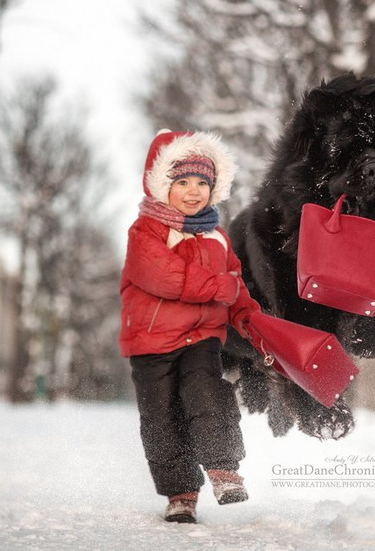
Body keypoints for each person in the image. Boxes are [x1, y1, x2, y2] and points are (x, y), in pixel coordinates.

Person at [119, 129, 261, 524]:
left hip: (201, 338)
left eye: (202, 182)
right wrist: (221, 287)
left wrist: (247, 317)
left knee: (206, 391)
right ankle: (180, 493)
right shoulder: (145, 231)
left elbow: (237, 288)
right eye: (182, 182)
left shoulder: (218, 237)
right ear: (162, 184)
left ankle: (223, 469)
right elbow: (165, 277)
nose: (194, 191)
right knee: (161, 416)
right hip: (151, 341)